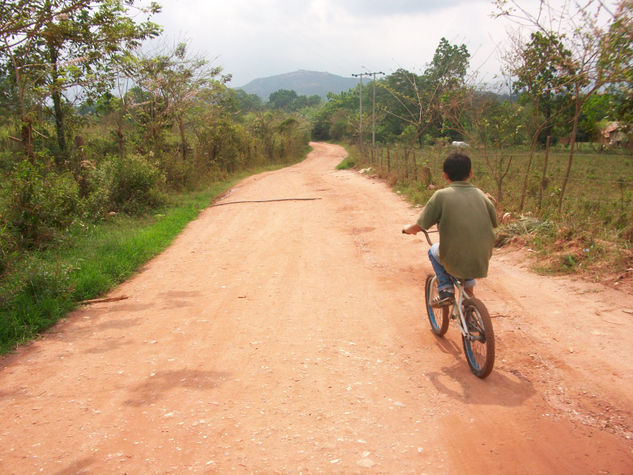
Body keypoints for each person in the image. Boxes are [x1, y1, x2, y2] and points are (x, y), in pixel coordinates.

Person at [403, 151, 497, 306]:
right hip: (482, 257)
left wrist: (407, 229)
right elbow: (495, 221)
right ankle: (469, 306)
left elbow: (420, 225)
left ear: (445, 175)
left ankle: (446, 289)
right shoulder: (481, 195)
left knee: (433, 252)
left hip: (456, 257)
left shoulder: (441, 196)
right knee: (466, 256)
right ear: (470, 173)